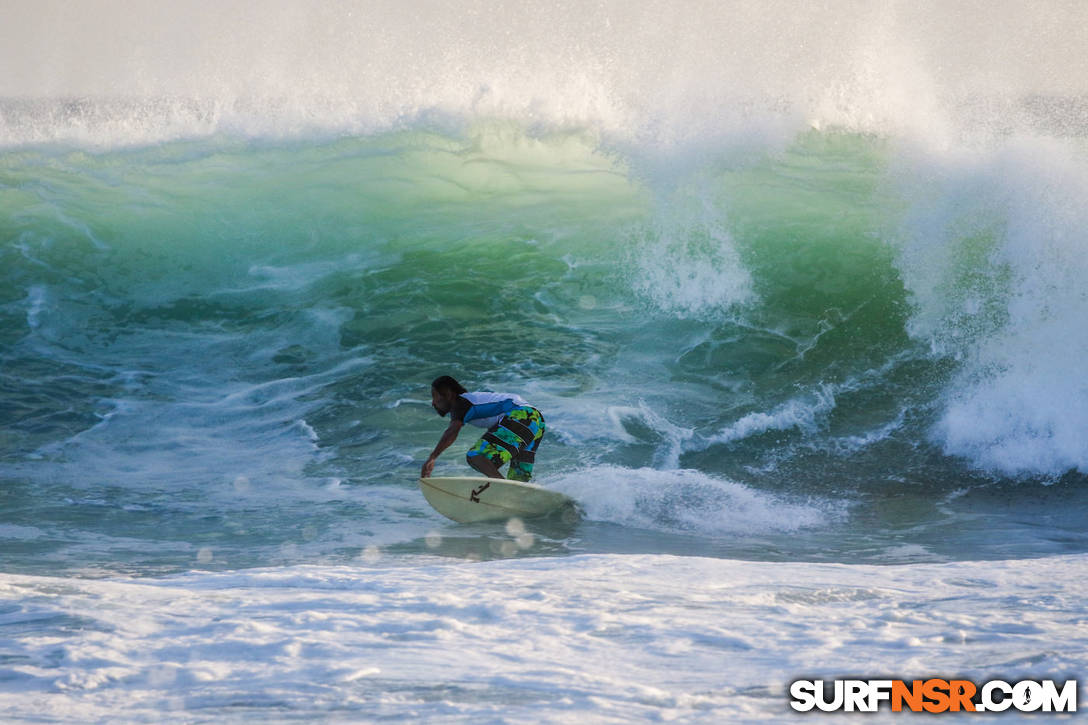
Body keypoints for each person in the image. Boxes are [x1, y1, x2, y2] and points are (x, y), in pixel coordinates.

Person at [421, 375, 545, 482]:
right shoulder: (471, 400)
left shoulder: (460, 403)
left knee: (476, 456)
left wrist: (432, 458)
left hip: (521, 415)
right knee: (518, 477)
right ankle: (525, 498)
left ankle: (503, 489)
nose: (433, 403)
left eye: (434, 396)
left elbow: (452, 432)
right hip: (536, 420)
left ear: (448, 394)